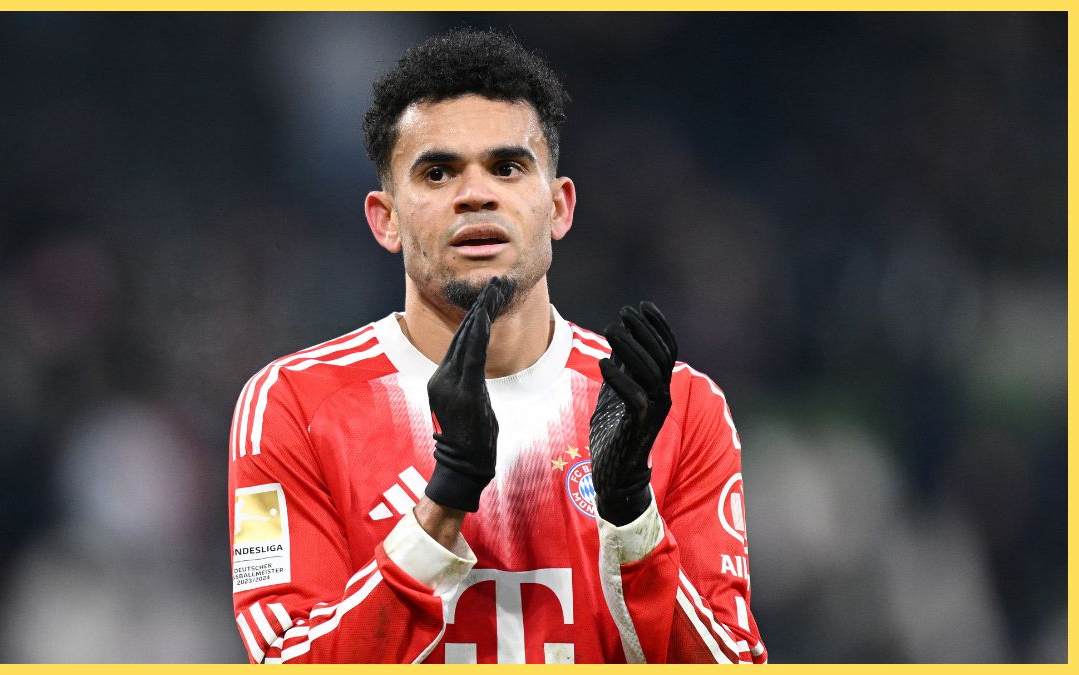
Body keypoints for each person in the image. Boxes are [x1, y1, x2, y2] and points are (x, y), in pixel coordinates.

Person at [228, 28, 765, 664]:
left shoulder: (679, 407)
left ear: (560, 208)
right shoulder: (291, 407)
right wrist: (446, 498)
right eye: (437, 172)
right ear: (386, 219)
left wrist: (631, 513)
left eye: (508, 167)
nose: (476, 192)